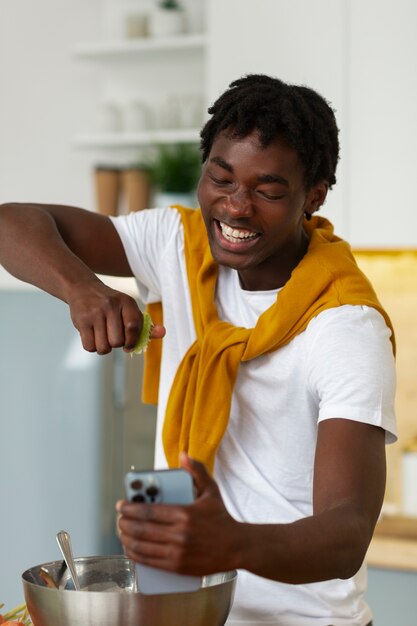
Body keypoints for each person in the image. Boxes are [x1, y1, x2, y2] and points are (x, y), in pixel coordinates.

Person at [0, 74, 396, 626]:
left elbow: (347, 533)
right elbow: (11, 221)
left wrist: (230, 541)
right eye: (221, 178)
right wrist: (84, 288)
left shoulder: (344, 326)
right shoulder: (177, 247)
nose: (235, 208)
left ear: (315, 195)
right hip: (183, 612)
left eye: (268, 190)